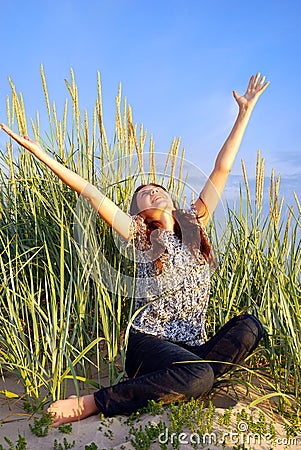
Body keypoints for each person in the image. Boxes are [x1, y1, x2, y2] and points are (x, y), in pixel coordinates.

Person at [0, 72, 269, 427]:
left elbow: (223, 167)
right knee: (200, 376)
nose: (154, 190)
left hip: (191, 348)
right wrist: (38, 152)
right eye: (145, 192)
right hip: (150, 344)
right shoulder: (138, 233)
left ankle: (188, 385)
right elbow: (90, 192)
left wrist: (244, 112)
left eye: (159, 188)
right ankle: (95, 401)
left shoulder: (195, 223)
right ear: (136, 210)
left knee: (249, 326)